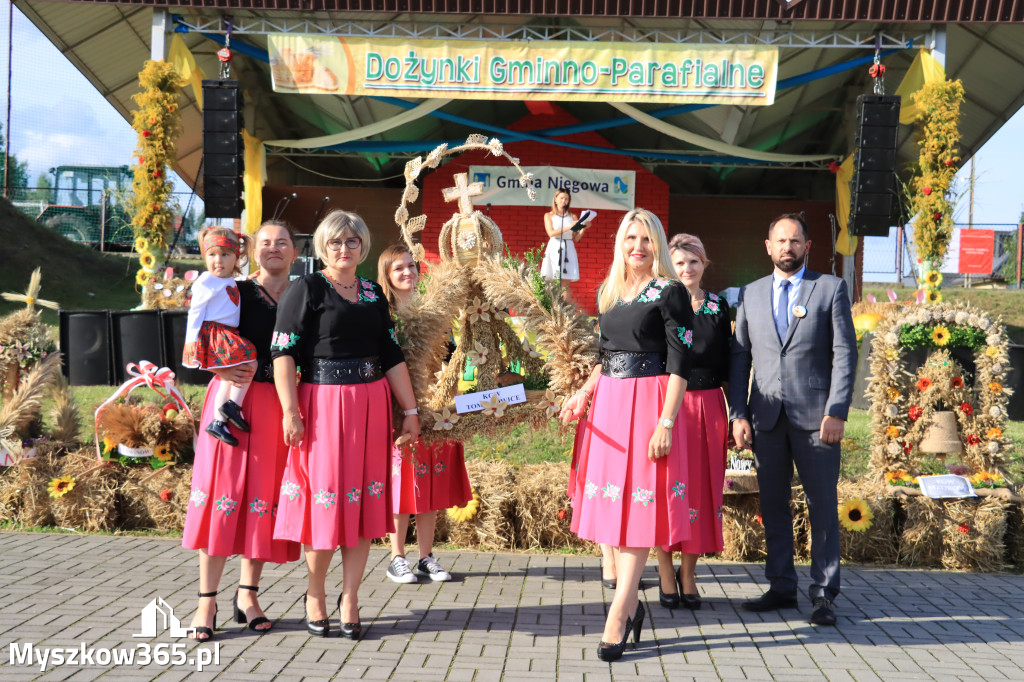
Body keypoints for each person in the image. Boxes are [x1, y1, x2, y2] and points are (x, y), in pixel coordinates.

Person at [271, 210, 420, 640]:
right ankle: (315, 592)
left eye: (351, 242)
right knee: (327, 508)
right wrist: (290, 411)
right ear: (323, 246)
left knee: (363, 509)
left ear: (362, 247)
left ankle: (351, 597)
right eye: (335, 242)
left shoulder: (374, 293)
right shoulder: (307, 288)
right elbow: (283, 353)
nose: (343, 249)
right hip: (322, 407)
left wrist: (409, 411)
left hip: (371, 407)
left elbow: (390, 355)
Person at [561, 208, 693, 662]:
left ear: (658, 244)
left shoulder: (671, 293)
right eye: (630, 238)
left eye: (646, 239)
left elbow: (681, 365)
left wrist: (666, 422)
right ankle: (631, 601)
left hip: (652, 402)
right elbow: (606, 357)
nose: (638, 246)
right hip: (611, 405)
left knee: (639, 508)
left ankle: (620, 611)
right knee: (614, 506)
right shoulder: (610, 292)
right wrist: (583, 392)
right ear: (621, 243)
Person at [729, 212, 857, 627]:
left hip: (818, 421)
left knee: (821, 507)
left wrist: (837, 410)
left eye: (795, 241)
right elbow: (740, 358)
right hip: (766, 420)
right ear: (768, 247)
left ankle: (823, 595)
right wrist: (738, 413)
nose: (788, 247)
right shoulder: (749, 293)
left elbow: (845, 355)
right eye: (780, 241)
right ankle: (782, 586)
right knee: (773, 505)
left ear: (807, 247)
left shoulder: (831, 288)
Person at [183, 220, 302, 641]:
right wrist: (219, 366)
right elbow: (198, 337)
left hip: (279, 405)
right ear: (252, 250)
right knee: (222, 494)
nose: (274, 249)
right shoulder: (234, 288)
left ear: (294, 250)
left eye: (282, 243)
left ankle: (248, 596)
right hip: (232, 400)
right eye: (265, 242)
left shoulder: (305, 292)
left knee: (262, 499)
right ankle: (206, 601)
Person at [377, 244, 473, 584]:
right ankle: (396, 557)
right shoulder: (382, 314)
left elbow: (447, 358)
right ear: (387, 276)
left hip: (434, 407)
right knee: (403, 485)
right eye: (398, 268)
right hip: (398, 410)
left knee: (429, 486)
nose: (407, 272)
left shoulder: (433, 311)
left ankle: (427, 557)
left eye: (411, 266)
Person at [654, 233, 731, 611]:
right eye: (679, 263)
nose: (686, 269)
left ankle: (689, 572)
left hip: (709, 407)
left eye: (693, 262)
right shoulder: (660, 301)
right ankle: (665, 569)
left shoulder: (720, 306)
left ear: (705, 264)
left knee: (701, 490)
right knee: (669, 488)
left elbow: (730, 362)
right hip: (671, 405)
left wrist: (738, 414)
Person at [183, 227, 257, 447]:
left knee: (230, 376)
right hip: (216, 333)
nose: (218, 260)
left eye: (225, 254)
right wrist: (191, 340)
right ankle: (233, 405)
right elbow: (194, 312)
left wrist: (248, 277)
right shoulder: (206, 281)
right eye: (212, 254)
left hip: (226, 333)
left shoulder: (230, 280)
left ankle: (218, 421)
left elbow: (231, 285)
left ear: (236, 257)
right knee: (250, 359)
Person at [540, 189, 588, 283]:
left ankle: (565, 298)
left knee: (565, 283)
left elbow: (576, 238)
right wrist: (568, 227)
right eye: (561, 198)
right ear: (555, 199)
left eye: (566, 199)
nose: (564, 201)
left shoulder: (572, 216)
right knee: (553, 280)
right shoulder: (549, 215)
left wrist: (584, 227)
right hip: (555, 246)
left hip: (568, 247)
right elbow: (551, 233)